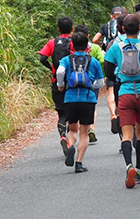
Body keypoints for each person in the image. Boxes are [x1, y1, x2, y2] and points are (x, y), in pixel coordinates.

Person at [104, 14, 140, 188]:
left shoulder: (115, 47)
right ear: (139, 29)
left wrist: (117, 76)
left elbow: (107, 69)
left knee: (127, 134)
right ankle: (138, 168)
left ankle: (128, 165)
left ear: (122, 29)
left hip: (125, 93)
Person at [56, 32, 104, 172]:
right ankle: (79, 162)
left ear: (72, 45)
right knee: (84, 132)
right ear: (87, 44)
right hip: (87, 99)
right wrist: (90, 84)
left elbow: (60, 72)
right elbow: (100, 83)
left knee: (72, 129)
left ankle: (70, 147)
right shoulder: (93, 61)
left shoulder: (66, 59)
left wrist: (60, 85)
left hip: (70, 98)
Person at [39, 16, 74, 156]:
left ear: (58, 29)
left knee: (61, 113)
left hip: (56, 82)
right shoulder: (73, 42)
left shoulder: (52, 43)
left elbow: (42, 58)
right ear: (72, 29)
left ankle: (63, 137)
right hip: (71, 83)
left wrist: (51, 68)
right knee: (72, 114)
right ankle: (70, 141)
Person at [74, 24, 105, 143]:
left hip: (75, 85)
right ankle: (91, 127)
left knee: (77, 107)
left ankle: (82, 129)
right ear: (88, 36)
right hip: (92, 82)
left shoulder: (71, 52)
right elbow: (102, 60)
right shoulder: (95, 48)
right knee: (92, 106)